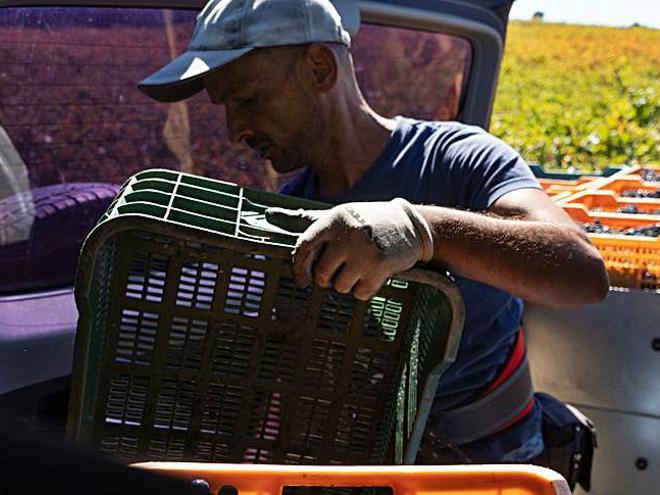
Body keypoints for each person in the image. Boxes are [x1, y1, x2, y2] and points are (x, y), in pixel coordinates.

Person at [138, 0, 608, 481]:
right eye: (226, 109)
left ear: (319, 69)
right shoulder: (295, 212)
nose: (235, 131)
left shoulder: (457, 159)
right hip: (372, 472)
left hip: (493, 467)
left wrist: (426, 231)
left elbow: (582, 274)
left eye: (249, 100)